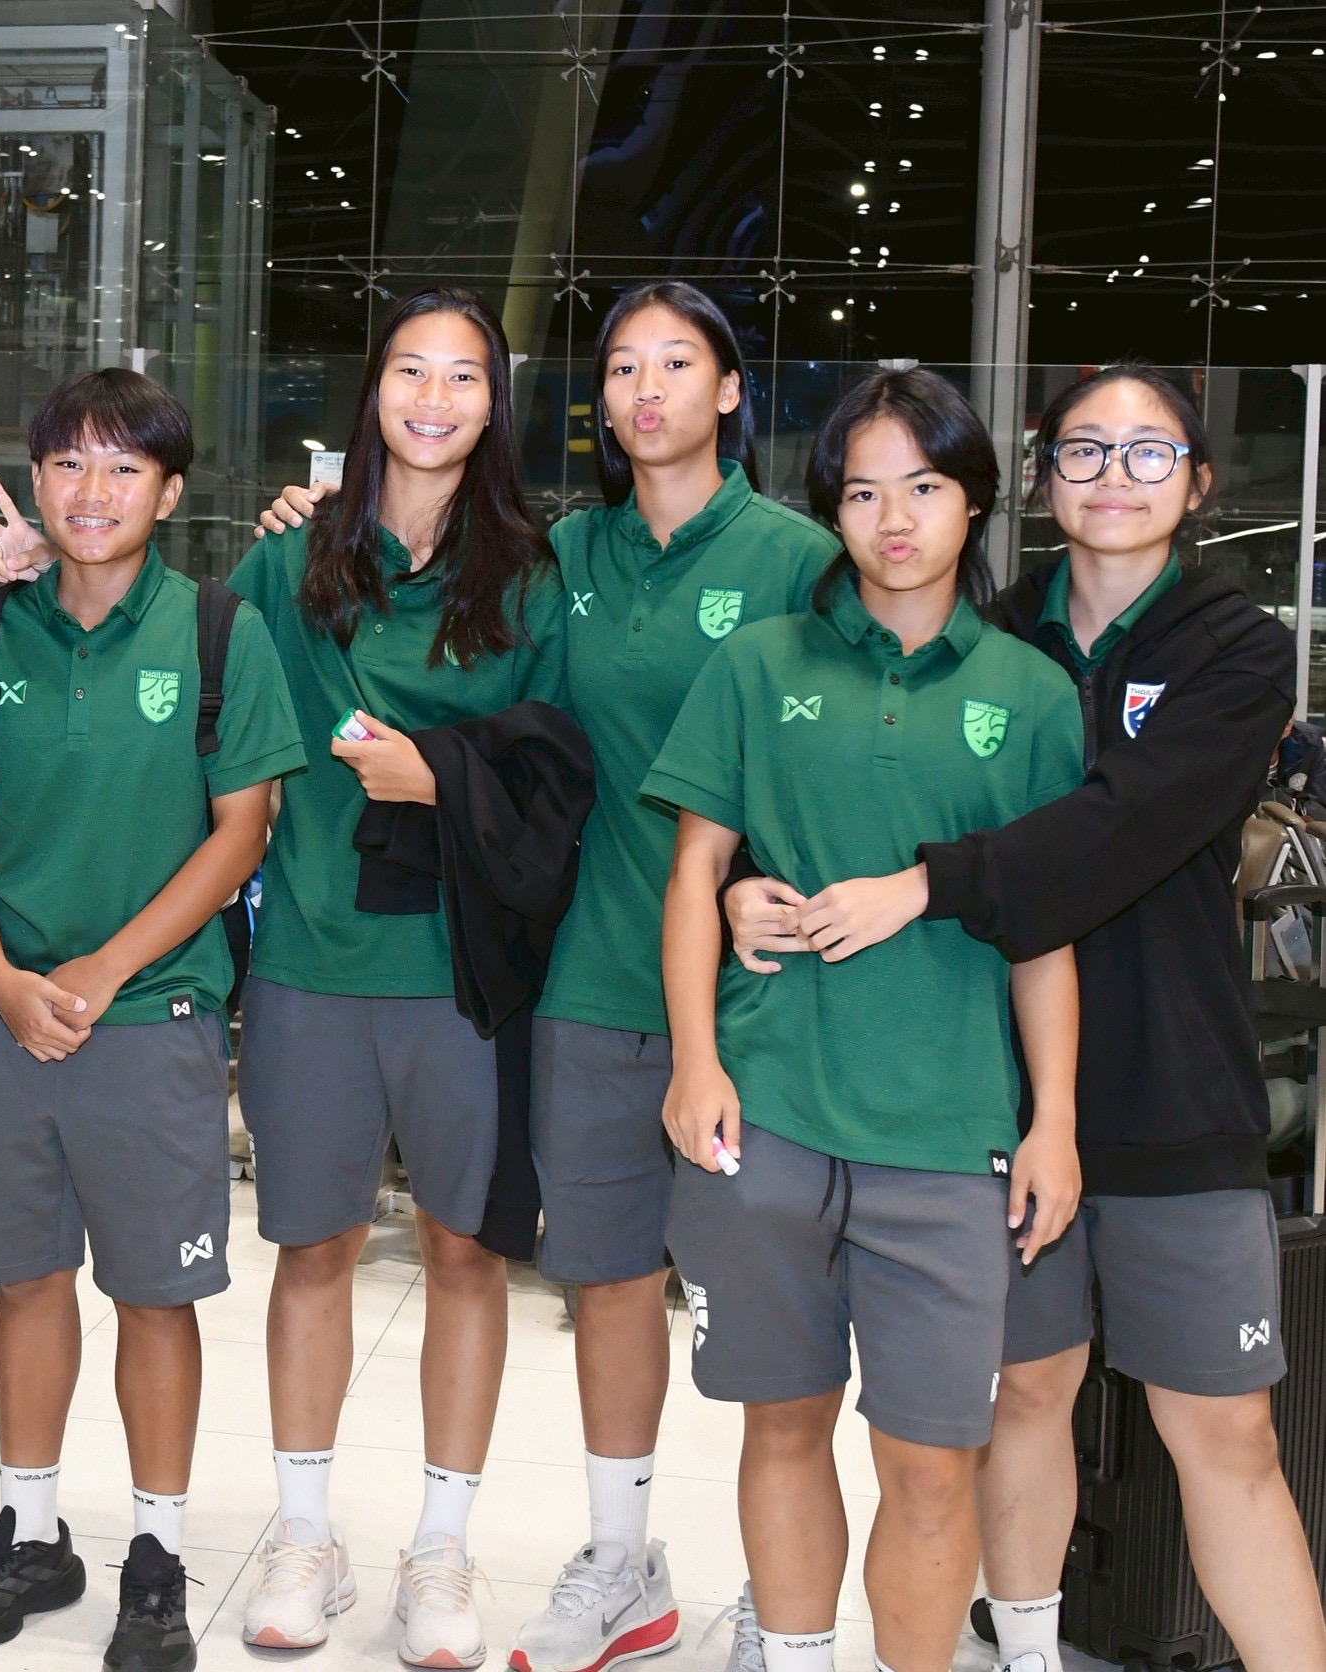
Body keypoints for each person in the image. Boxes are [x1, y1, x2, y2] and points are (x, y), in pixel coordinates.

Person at [258, 281, 838, 1671]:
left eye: (676, 363)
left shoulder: (781, 560)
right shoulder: (556, 556)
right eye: (623, 365)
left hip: (728, 989)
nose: (646, 389)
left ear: (730, 389)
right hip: (566, 979)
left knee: (768, 1313)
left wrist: (769, 877)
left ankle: (779, 1594)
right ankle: (604, 1556)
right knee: (600, 1283)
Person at [726, 363, 1326, 1672]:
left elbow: (1121, 829)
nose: (1113, 476)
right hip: (988, 1106)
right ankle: (1030, 1650)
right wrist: (744, 887)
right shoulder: (988, 636)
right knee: (1022, 1395)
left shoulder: (1234, 648)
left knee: (1226, 1432)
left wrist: (930, 882)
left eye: (1147, 452)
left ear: (1198, 484)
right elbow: (845, 795)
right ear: (1045, 478)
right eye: (1084, 450)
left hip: (1173, 1089)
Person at [645, 367, 1084, 1672]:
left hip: (948, 1134)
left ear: (975, 502)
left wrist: (1053, 1121)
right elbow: (694, 873)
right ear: (831, 510)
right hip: (770, 1107)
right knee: (782, 1424)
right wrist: (695, 1063)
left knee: (932, 1462)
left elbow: (1042, 931)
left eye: (925, 487)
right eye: (863, 492)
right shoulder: (757, 661)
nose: (895, 519)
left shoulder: (1032, 694)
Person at [0, 369, 305, 1672]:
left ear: (171, 491)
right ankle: (31, 1533)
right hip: (6, 1016)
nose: (93, 491)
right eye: (70, 464)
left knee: (154, 1293)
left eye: (124, 467)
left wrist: (102, 967)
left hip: (155, 1017)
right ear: (38, 480)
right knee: (26, 1279)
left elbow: (241, 830)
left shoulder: (217, 633)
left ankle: (156, 1555)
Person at [215, 285, 566, 1667]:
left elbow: (558, 768)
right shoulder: (292, 563)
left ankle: (443, 1548)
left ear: (494, 403)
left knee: (467, 1254)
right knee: (315, 1247)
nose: (433, 397)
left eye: (463, 375)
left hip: (463, 972)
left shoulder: (527, 578)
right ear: (372, 392)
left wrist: (443, 778)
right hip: (311, 957)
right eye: (410, 370)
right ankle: (306, 1535)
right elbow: (197, 690)